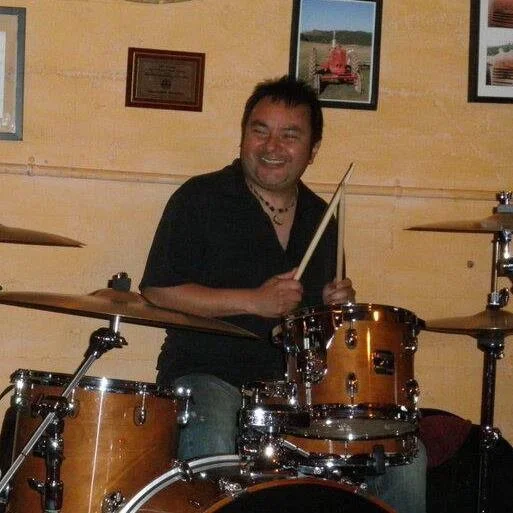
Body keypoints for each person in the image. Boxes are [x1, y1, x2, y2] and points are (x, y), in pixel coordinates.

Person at [140, 75, 426, 513]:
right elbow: (159, 290)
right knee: (214, 431)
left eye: (289, 136)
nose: (272, 146)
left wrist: (336, 310)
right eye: (260, 131)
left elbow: (320, 333)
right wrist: (252, 301)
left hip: (298, 393)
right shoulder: (200, 199)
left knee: (405, 456)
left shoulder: (321, 218)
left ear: (312, 150)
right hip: (208, 373)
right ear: (243, 136)